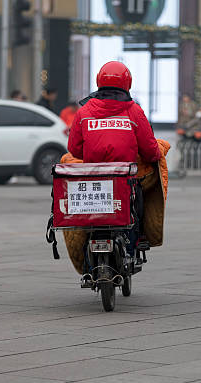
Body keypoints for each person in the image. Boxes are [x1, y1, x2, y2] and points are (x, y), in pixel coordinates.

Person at [68, 61, 161, 256]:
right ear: (128, 83)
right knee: (139, 199)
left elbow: (74, 150)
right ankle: (140, 237)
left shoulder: (83, 112)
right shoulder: (134, 111)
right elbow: (151, 152)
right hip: (125, 180)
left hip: (92, 180)